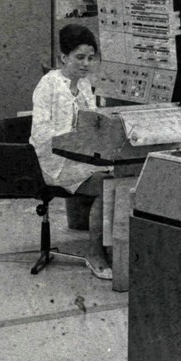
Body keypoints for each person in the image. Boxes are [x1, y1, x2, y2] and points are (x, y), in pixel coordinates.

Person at [30, 23, 112, 280]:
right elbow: (41, 134)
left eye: (90, 58)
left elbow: (92, 123)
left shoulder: (84, 85)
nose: (86, 64)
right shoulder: (49, 85)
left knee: (119, 176)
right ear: (63, 57)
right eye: (79, 57)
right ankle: (95, 253)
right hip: (52, 162)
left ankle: (113, 247)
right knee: (107, 185)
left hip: (78, 157)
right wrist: (75, 142)